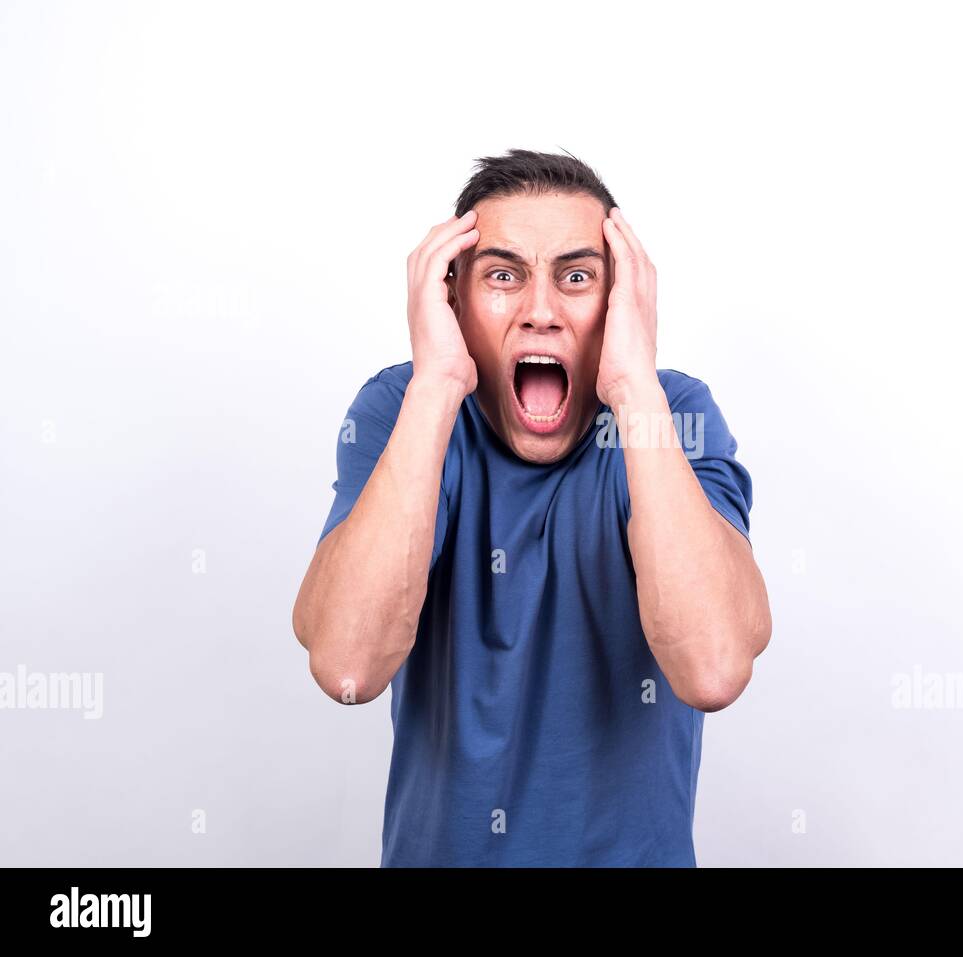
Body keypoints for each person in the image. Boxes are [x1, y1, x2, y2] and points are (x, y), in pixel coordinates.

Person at [292, 149, 772, 866]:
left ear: (621, 304)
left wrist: (636, 383)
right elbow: (345, 664)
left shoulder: (670, 416)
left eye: (577, 278)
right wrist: (437, 382)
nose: (541, 312)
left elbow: (713, 669)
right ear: (450, 298)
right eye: (503, 276)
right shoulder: (405, 410)